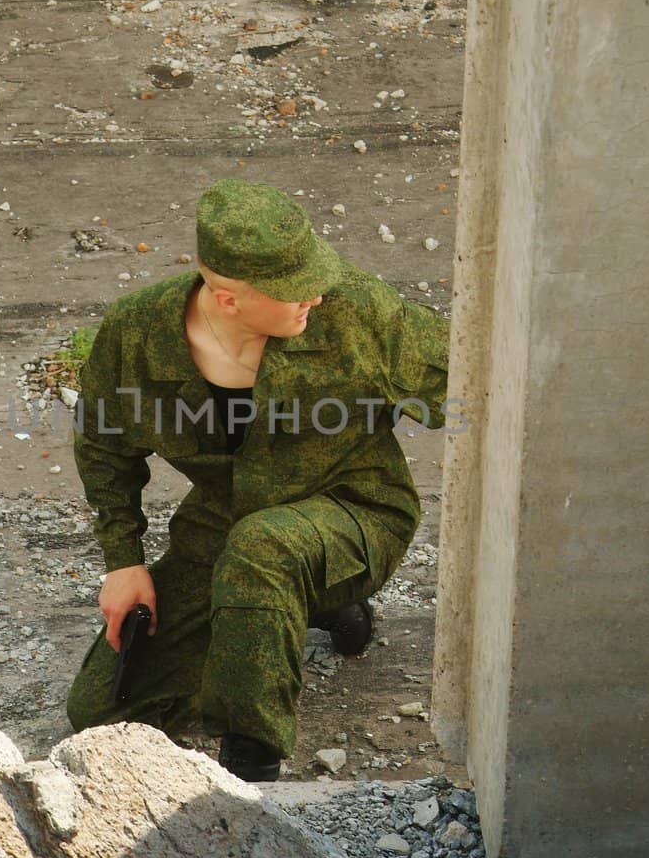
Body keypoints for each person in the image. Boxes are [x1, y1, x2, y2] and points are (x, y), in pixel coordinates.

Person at [65, 178, 450, 781]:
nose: (317, 297)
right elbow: (103, 443)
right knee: (102, 713)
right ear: (227, 299)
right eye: (297, 290)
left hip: (356, 509)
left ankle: (252, 762)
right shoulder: (138, 335)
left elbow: (480, 372)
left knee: (264, 551)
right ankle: (302, 606)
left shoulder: (361, 313)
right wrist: (124, 560)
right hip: (230, 520)